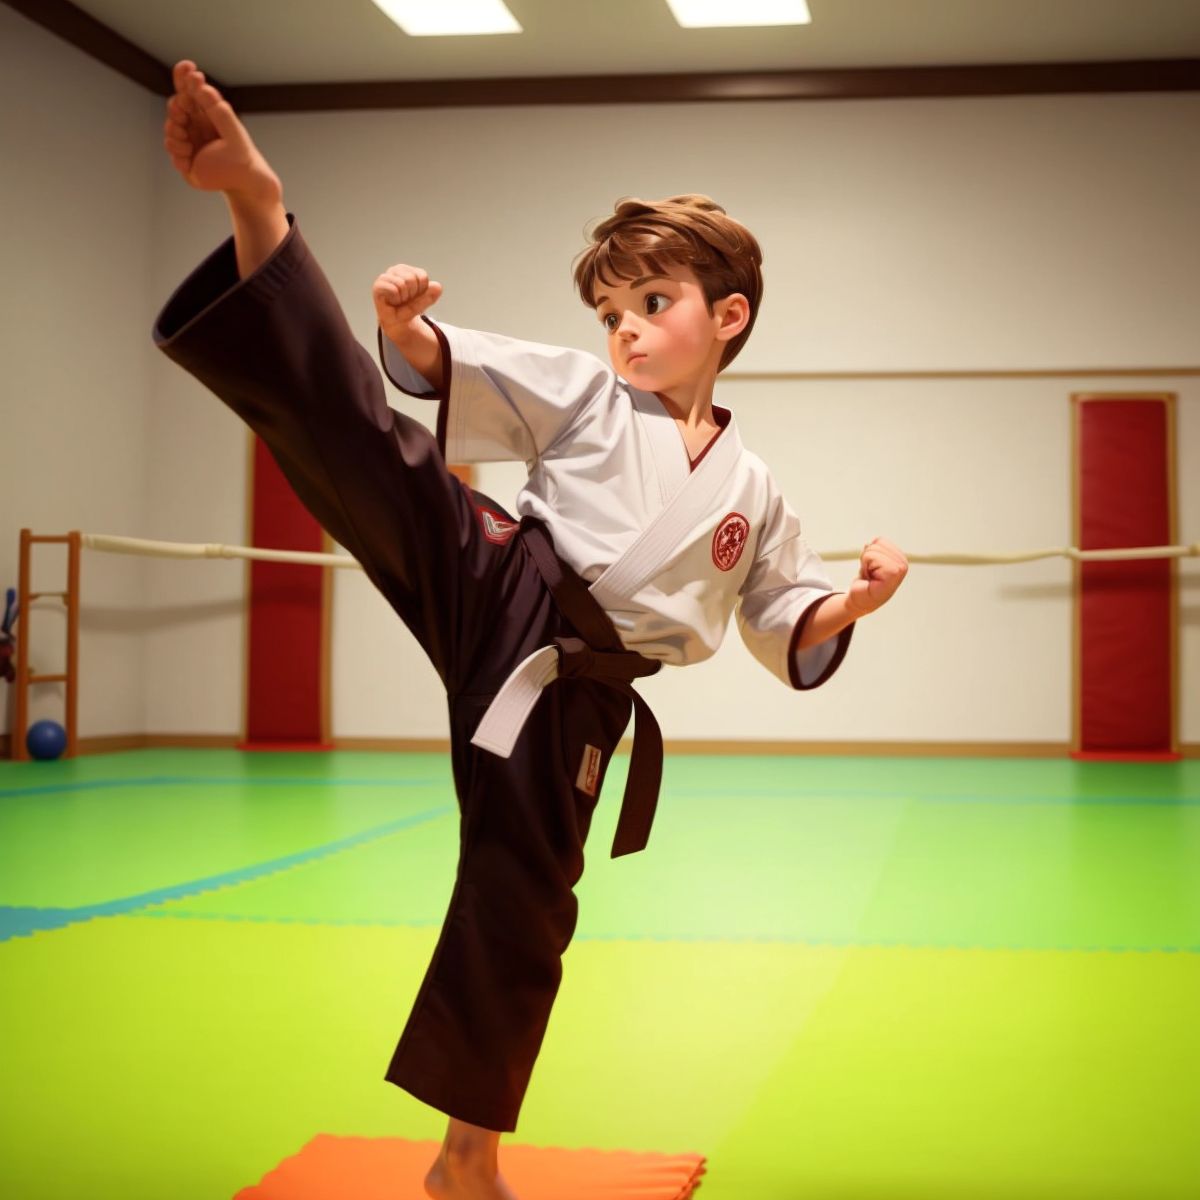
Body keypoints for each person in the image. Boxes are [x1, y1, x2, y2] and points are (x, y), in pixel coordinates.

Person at [158, 60, 908, 1200]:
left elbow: (779, 613)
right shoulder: (585, 392)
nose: (626, 330)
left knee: (524, 894)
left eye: (653, 306)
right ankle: (259, 208)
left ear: (728, 318)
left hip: (583, 688)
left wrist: (851, 602)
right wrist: (403, 325)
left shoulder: (757, 494)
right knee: (372, 454)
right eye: (612, 313)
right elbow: (437, 370)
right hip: (505, 577)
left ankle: (465, 1159)